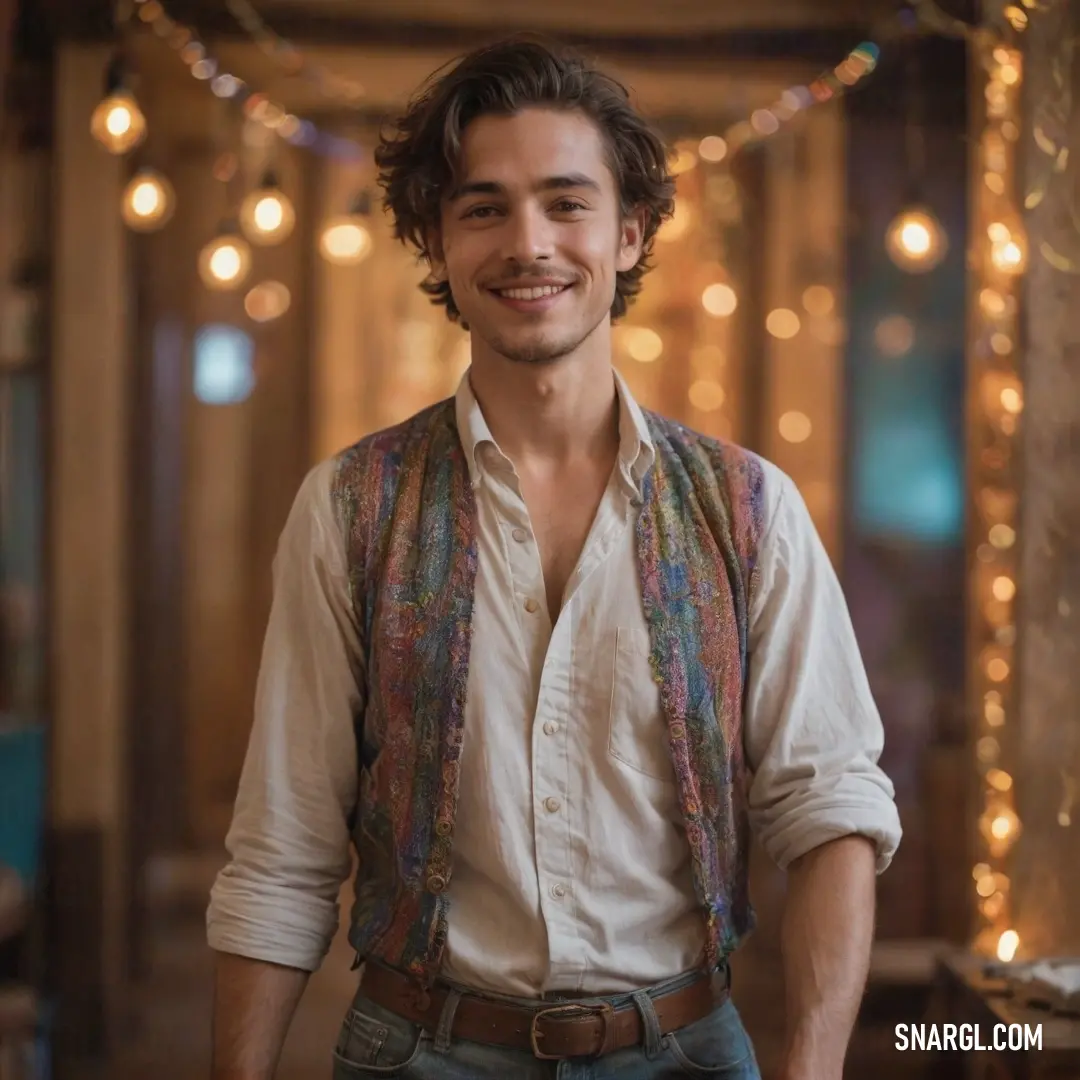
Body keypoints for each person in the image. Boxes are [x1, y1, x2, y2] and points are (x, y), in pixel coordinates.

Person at [207, 35, 902, 1080]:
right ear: (437, 245)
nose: (527, 243)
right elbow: (283, 848)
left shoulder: (747, 507)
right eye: (483, 207)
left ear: (628, 234)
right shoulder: (351, 508)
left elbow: (833, 808)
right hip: (419, 1053)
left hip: (684, 1052)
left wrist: (811, 1066)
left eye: (565, 203)